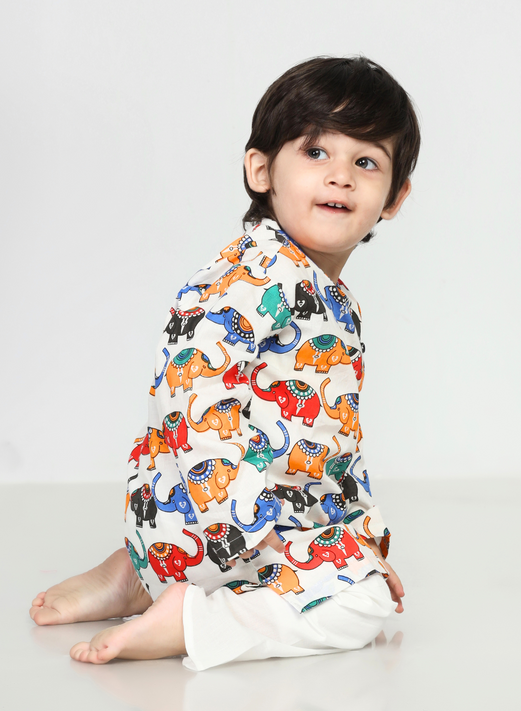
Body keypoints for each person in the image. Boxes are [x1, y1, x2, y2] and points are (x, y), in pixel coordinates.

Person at [29, 55, 420, 671]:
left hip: (242, 526)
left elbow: (334, 446)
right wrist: (266, 538)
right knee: (362, 606)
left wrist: (358, 541)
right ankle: (191, 618)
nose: (340, 176)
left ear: (394, 197)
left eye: (365, 162)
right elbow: (191, 395)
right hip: (227, 522)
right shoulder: (255, 277)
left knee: (360, 577)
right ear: (261, 170)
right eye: (316, 152)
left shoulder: (329, 299)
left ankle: (140, 574)